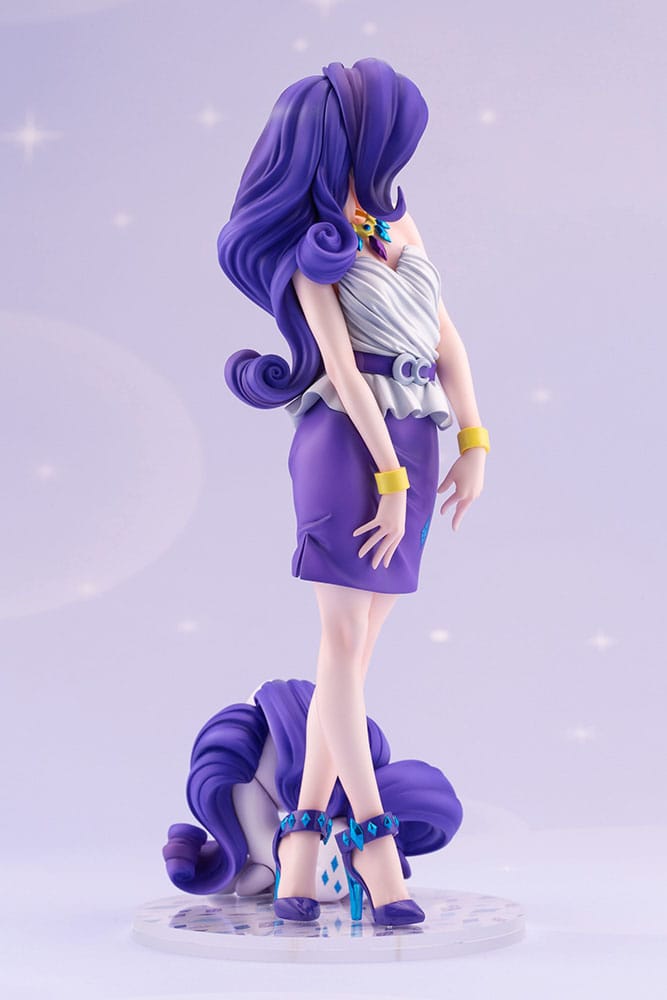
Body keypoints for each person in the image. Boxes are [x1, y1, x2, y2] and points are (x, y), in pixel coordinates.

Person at [217, 58, 489, 926]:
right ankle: (372, 843)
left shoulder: (396, 218)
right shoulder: (312, 244)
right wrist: (389, 479)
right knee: (342, 640)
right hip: (347, 443)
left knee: (360, 652)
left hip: (414, 437)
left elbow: (446, 338)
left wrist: (472, 439)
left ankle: (299, 849)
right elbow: (339, 367)